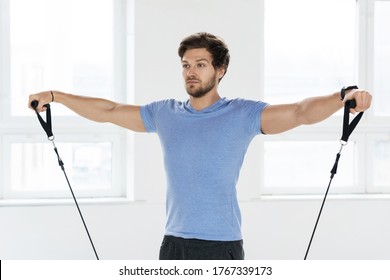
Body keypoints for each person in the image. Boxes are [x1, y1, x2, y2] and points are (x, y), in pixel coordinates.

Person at [28, 32, 372, 260]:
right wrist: (56, 96)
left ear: (220, 70)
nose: (191, 72)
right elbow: (110, 111)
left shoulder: (243, 114)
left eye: (201, 65)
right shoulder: (165, 114)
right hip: (173, 243)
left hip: (223, 246)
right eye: (186, 65)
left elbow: (299, 113)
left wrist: (344, 97)